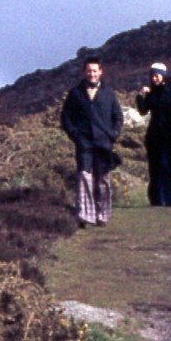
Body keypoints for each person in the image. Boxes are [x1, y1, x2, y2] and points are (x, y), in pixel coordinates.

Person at [60, 55, 124, 228]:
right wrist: (75, 135)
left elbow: (117, 116)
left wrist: (113, 134)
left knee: (103, 179)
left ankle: (102, 215)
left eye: (95, 71)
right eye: (89, 71)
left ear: (100, 72)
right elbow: (66, 118)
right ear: (84, 72)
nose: (92, 74)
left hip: (104, 143)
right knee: (84, 177)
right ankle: (85, 215)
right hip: (84, 143)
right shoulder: (75, 93)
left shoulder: (109, 93)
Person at [136, 63, 171, 207]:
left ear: (164, 76)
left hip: (169, 136)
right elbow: (143, 110)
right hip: (154, 136)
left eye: (157, 75)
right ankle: (156, 200)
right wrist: (140, 96)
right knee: (154, 168)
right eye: (152, 76)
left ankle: (169, 200)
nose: (154, 78)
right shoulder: (151, 93)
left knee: (167, 167)